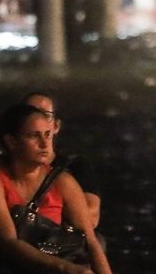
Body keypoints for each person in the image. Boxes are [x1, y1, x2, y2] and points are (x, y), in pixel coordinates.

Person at [0, 103, 118, 274]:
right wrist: (65, 268)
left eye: (47, 135)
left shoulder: (63, 182)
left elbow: (91, 243)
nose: (44, 143)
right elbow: (8, 241)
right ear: (11, 142)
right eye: (34, 136)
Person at [21, 91, 102, 228]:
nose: (36, 120)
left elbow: (91, 216)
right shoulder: (2, 165)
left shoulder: (73, 166)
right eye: (29, 113)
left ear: (56, 126)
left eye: (44, 115)